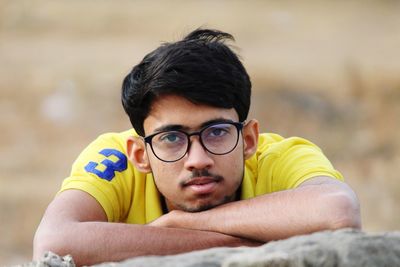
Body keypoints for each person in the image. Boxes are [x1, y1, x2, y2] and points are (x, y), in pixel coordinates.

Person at [33, 28, 361, 266]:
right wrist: (246, 242)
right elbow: (54, 242)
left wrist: (180, 224)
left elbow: (338, 210)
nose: (198, 160)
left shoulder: (281, 157)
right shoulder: (115, 159)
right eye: (172, 138)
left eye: (216, 132)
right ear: (140, 154)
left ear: (248, 139)